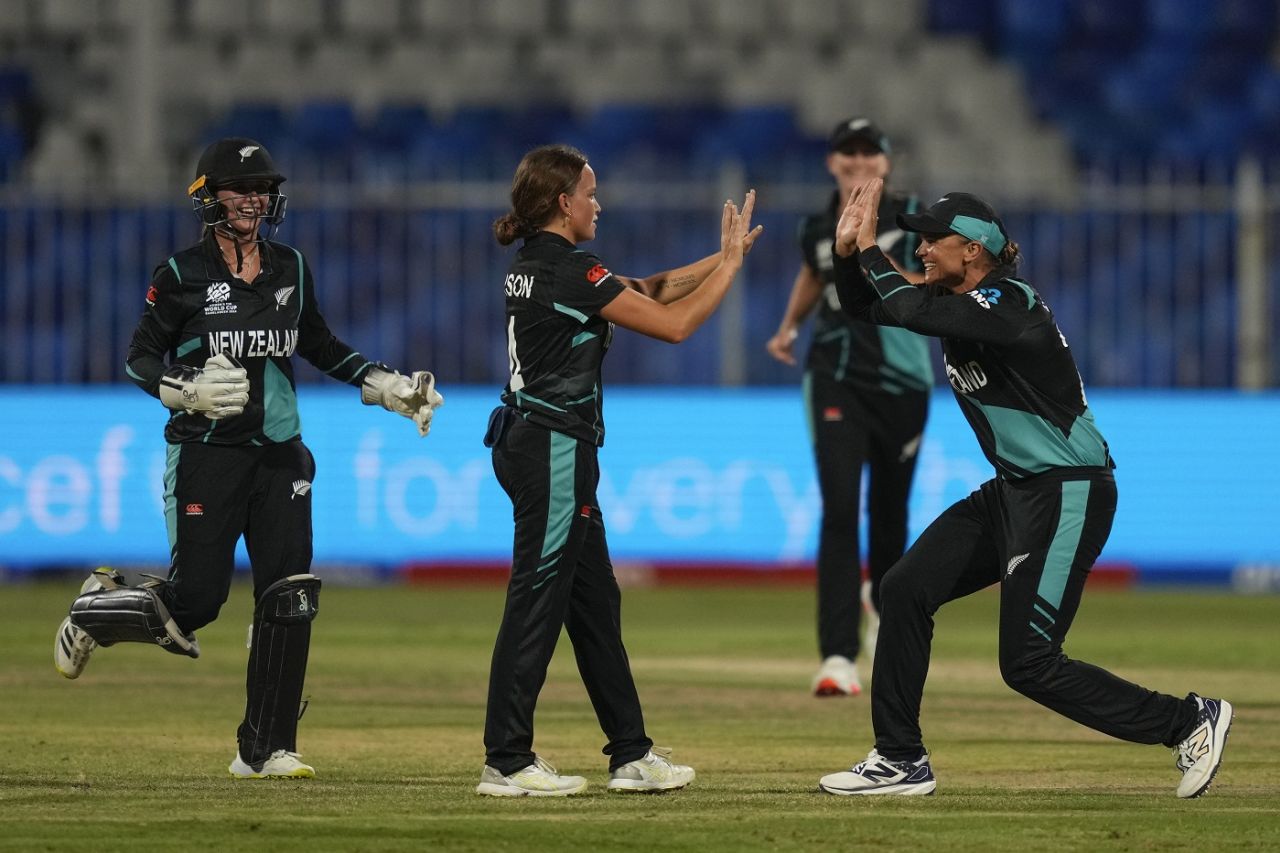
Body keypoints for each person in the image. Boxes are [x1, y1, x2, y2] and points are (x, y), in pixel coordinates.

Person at [815, 179, 1232, 798]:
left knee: (1029, 661)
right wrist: (850, 256)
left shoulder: (1011, 302)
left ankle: (1188, 721)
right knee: (903, 589)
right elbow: (867, 308)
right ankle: (900, 759)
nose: (924, 247)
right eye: (921, 236)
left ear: (975, 251)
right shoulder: (956, 296)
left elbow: (906, 309)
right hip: (1014, 490)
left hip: (1069, 490)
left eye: (935, 238)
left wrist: (872, 250)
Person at [52, 137, 444, 779]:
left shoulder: (290, 265)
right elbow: (138, 358)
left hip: (281, 453)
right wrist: (185, 391)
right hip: (207, 454)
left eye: (262, 190)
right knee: (196, 601)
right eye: (240, 190)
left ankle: (265, 749)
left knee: (289, 595)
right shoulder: (179, 275)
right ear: (208, 198)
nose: (254, 201)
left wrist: (383, 384)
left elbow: (317, 343)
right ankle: (94, 610)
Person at [477, 144, 760, 797]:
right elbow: (677, 323)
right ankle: (507, 758)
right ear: (563, 203)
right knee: (536, 600)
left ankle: (631, 752)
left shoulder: (541, 264)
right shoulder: (572, 270)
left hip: (541, 441)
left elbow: (649, 288)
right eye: (591, 192)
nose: (598, 203)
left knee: (595, 605)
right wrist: (733, 268)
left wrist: (724, 256)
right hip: (551, 446)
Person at [765, 118, 932, 697]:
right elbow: (815, 273)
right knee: (839, 512)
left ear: (885, 163)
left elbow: (940, 281)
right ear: (832, 163)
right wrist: (788, 327)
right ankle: (837, 656)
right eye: (847, 152)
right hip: (834, 376)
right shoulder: (816, 226)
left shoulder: (915, 220)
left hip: (904, 379)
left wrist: (868, 258)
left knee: (889, 515)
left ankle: (881, 602)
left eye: (870, 153)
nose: (858, 161)